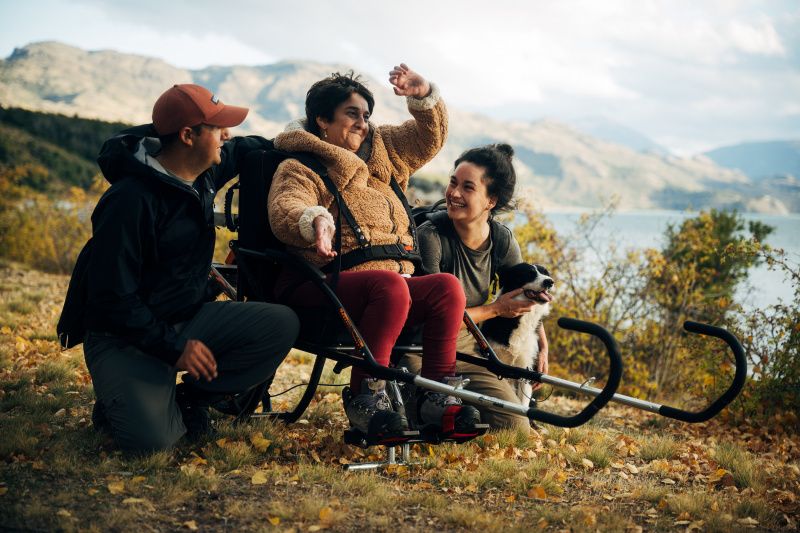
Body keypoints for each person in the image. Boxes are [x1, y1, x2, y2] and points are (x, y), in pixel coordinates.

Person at [59, 84, 300, 453]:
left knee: (280, 324)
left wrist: (308, 140)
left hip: (183, 320)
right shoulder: (128, 201)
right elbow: (112, 299)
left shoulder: (200, 175)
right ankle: (118, 403)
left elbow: (244, 147)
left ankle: (188, 399)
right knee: (154, 444)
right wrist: (175, 349)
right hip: (122, 337)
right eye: (218, 128)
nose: (226, 135)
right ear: (188, 135)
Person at [267, 64, 481, 438]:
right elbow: (286, 208)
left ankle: (436, 395)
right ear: (321, 119)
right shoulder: (299, 164)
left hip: (387, 286)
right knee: (390, 286)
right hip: (320, 284)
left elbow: (428, 138)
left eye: (366, 115)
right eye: (352, 114)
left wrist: (423, 96)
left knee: (447, 286)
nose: (362, 123)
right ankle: (368, 398)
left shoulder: (383, 153)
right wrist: (314, 220)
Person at [412, 143, 549, 431]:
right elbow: (435, 318)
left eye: (468, 187)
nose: (454, 193)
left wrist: (542, 347)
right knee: (430, 416)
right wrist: (496, 309)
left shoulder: (501, 240)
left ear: (491, 201)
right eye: (453, 183)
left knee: (515, 428)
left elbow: (528, 296)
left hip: (468, 350)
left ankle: (468, 407)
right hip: (420, 347)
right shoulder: (431, 236)